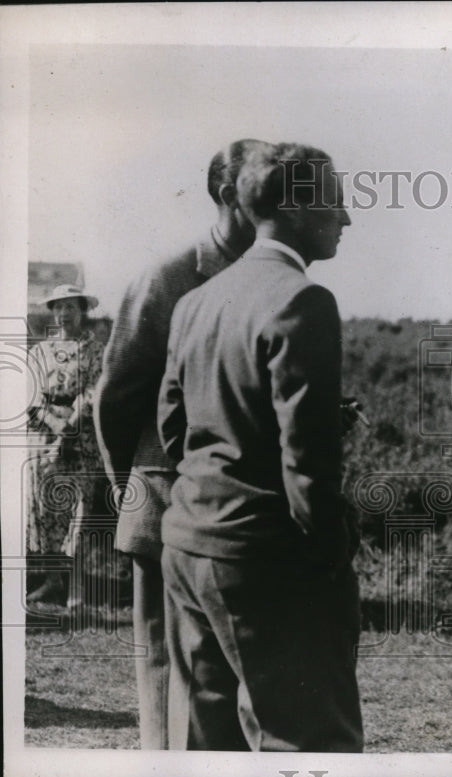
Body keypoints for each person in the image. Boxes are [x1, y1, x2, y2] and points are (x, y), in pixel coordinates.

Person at [157, 142, 362, 751]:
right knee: (306, 741)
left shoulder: (198, 300)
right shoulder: (303, 299)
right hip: (265, 560)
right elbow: (308, 464)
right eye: (335, 203)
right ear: (298, 208)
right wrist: (331, 555)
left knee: (210, 745)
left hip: (190, 544)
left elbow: (175, 427)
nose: (345, 219)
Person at [94, 138, 271, 749]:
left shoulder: (271, 277)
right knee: (173, 683)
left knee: (225, 692)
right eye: (265, 188)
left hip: (238, 516)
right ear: (229, 196)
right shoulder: (167, 278)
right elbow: (115, 399)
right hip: (166, 504)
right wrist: (136, 491)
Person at [25, 284, 106, 606]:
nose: (64, 314)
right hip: (45, 435)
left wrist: (68, 429)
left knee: (79, 511)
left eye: (71, 307)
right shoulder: (40, 351)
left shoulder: (96, 350)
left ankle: (77, 589)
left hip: (81, 437)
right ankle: (52, 581)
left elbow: (92, 394)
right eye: (59, 307)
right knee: (46, 508)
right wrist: (54, 425)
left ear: (83, 311)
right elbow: (29, 395)